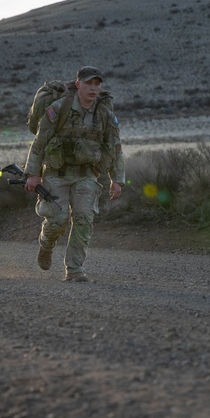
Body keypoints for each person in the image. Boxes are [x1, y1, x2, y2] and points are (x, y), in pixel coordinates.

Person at [23, 66, 125, 282]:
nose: (94, 88)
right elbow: (39, 142)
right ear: (78, 84)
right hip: (56, 173)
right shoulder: (59, 108)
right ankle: (46, 243)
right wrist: (32, 173)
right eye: (89, 83)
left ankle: (75, 269)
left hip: (86, 174)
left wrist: (118, 180)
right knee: (58, 220)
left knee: (84, 219)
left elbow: (115, 147)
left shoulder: (104, 113)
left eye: (97, 84)